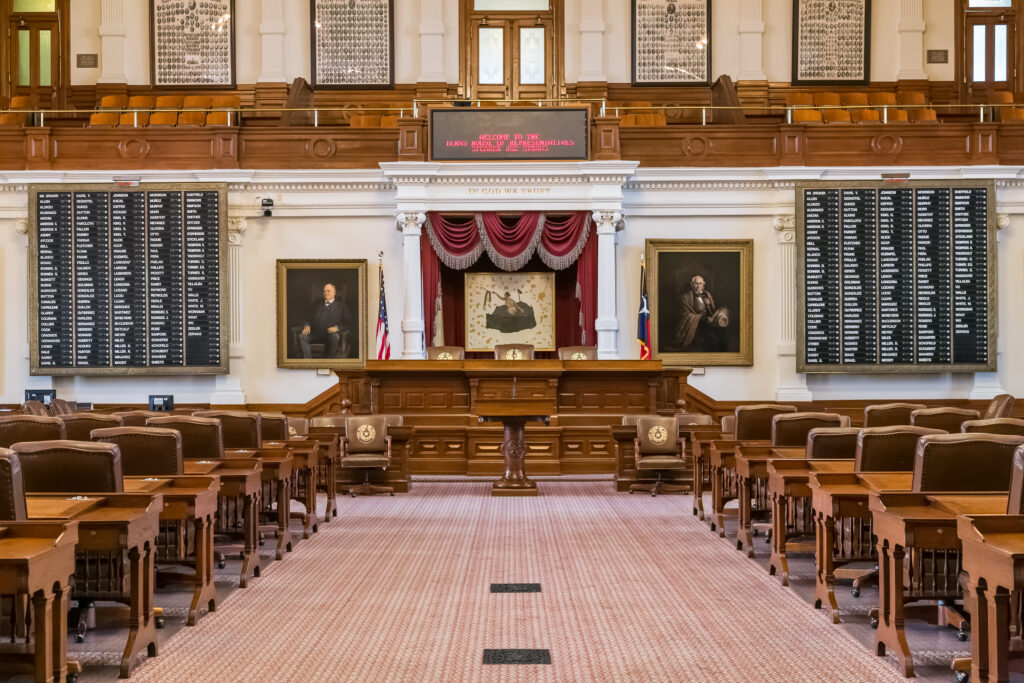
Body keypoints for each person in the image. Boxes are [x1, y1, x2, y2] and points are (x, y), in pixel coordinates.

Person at [671, 274, 729, 352]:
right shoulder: (685, 297)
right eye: (696, 283)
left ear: (703, 284)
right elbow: (685, 315)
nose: (698, 286)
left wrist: (709, 305)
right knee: (710, 337)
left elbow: (712, 311)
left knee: (721, 333)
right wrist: (702, 318)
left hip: (709, 321)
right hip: (696, 323)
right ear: (692, 285)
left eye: (700, 283)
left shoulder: (707, 294)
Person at [298, 283, 351, 358]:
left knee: (335, 337)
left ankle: (328, 362)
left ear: (334, 292)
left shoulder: (342, 306)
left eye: (328, 291)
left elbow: (348, 322)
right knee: (302, 336)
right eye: (324, 291)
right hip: (315, 333)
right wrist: (307, 325)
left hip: (330, 335)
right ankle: (308, 361)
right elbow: (307, 317)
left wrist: (338, 328)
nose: (326, 293)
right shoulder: (316, 304)